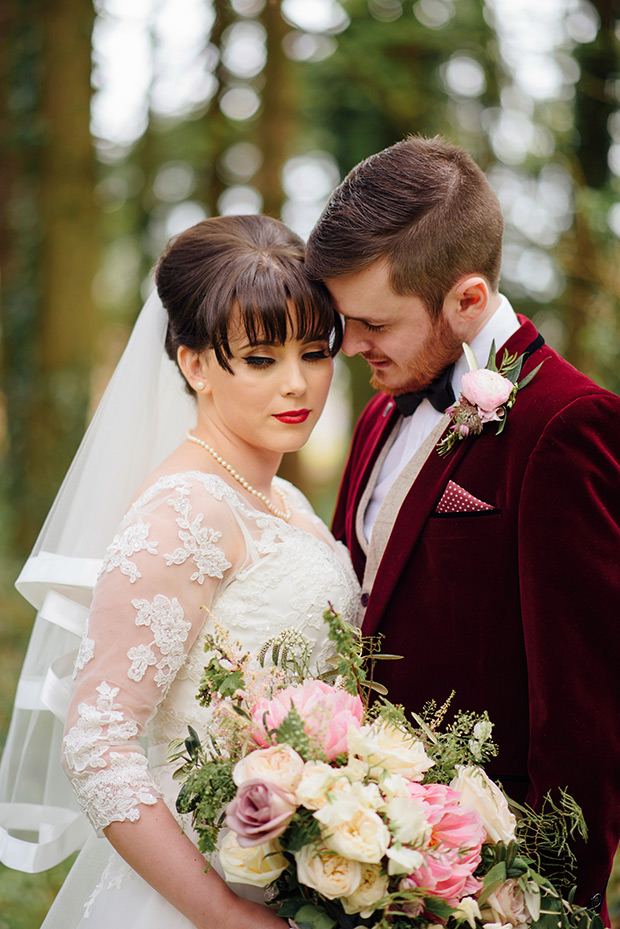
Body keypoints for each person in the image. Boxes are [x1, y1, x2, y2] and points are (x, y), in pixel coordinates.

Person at [0, 214, 360, 929]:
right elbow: (97, 744)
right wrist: (227, 913)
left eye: (315, 352)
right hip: (192, 895)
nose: (298, 384)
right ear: (195, 364)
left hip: (295, 871)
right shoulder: (184, 510)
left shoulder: (281, 497)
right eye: (261, 359)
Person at [305, 135, 620, 916]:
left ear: (468, 300)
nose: (351, 348)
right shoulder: (382, 408)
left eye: (373, 322)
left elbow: (585, 711)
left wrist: (547, 900)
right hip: (368, 861)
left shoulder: (567, 423)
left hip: (495, 884)